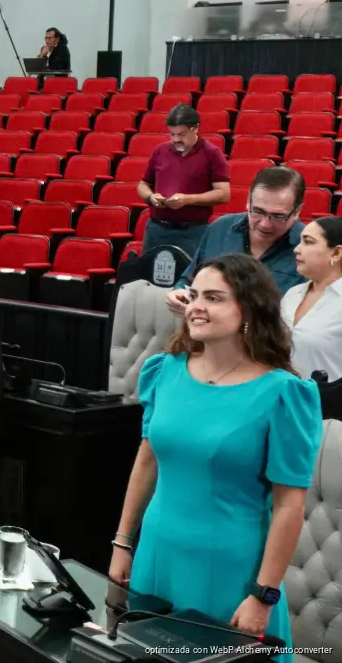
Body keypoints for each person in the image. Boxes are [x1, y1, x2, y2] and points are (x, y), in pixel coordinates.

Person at [110, 253, 321, 663]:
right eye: (193, 296)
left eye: (214, 298)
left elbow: (289, 506)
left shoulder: (284, 393)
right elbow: (147, 461)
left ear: (249, 310)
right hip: (156, 555)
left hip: (229, 571)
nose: (196, 307)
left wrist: (263, 594)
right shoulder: (164, 370)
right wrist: (123, 541)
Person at [165, 166, 307, 315]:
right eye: (258, 211)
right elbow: (189, 280)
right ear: (248, 201)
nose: (265, 224)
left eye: (278, 216)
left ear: (297, 211)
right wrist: (179, 292)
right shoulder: (220, 229)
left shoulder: (310, 249)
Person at [138, 105, 230, 256]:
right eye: (172, 134)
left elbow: (224, 194)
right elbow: (143, 184)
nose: (176, 140)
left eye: (181, 134)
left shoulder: (212, 154)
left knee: (192, 270)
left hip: (193, 232)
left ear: (196, 128)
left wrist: (187, 200)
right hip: (157, 229)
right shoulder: (160, 150)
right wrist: (151, 197)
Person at [281, 216, 342, 381]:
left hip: (328, 396)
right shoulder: (292, 294)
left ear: (336, 253)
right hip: (283, 393)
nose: (297, 249)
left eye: (308, 242)